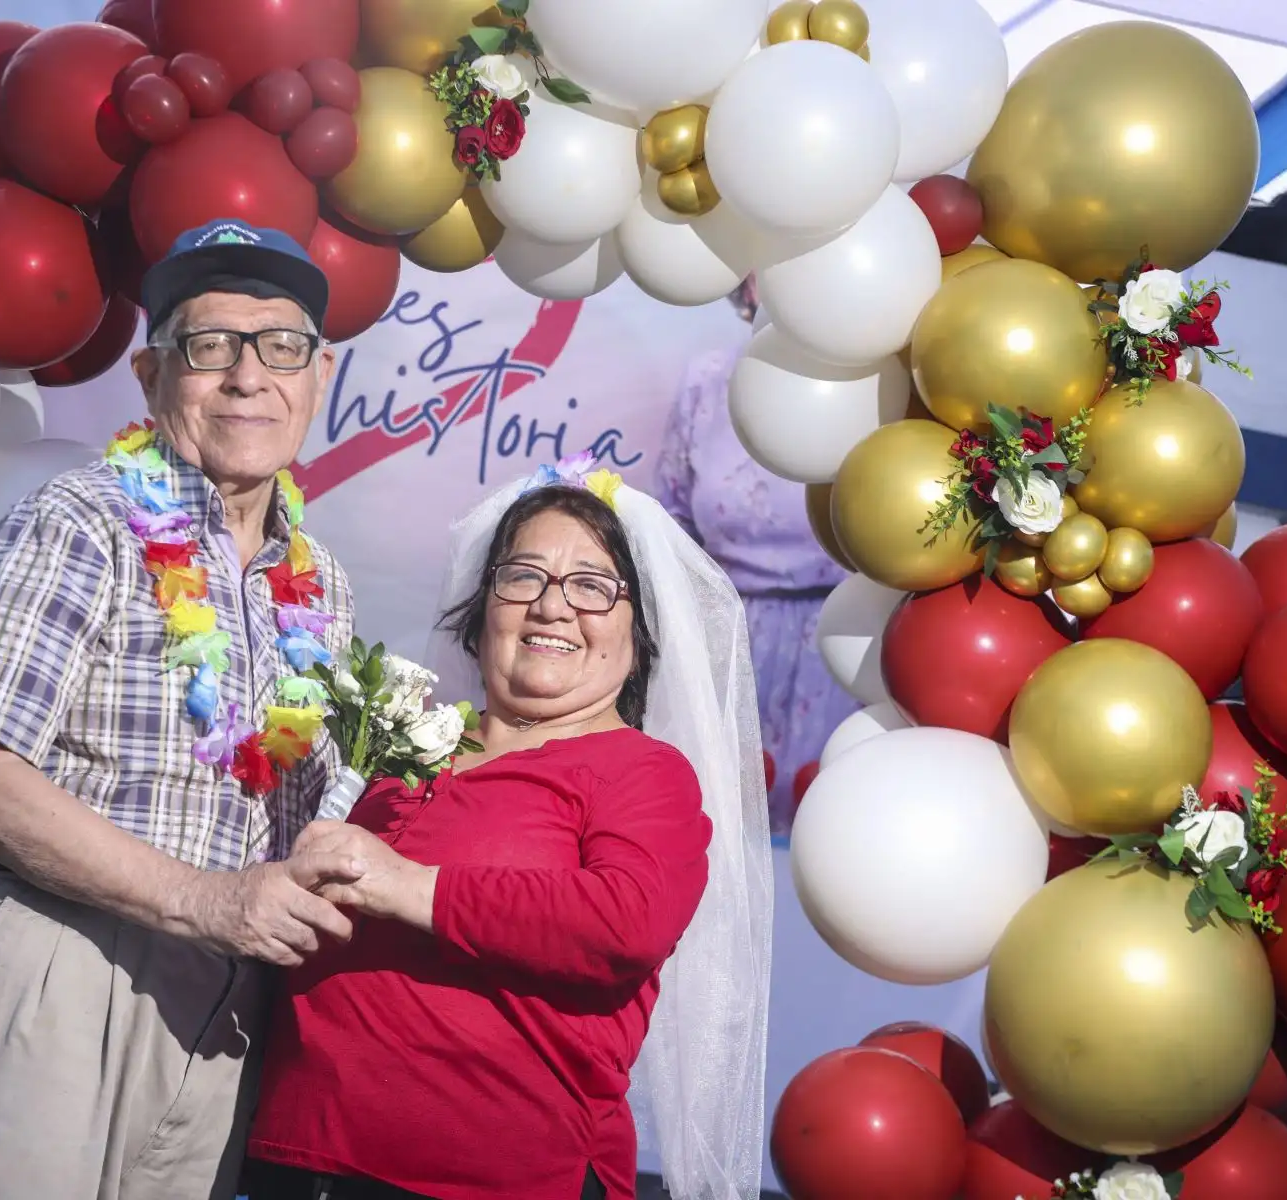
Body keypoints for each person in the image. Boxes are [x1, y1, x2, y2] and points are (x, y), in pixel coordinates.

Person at [0, 219, 359, 1200]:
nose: (247, 377)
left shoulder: (321, 588)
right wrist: (208, 901)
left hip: (225, 1014)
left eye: (281, 346)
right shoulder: (81, 517)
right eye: (210, 345)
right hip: (54, 964)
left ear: (319, 376)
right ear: (150, 375)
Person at [242, 464, 773, 1200]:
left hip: (494, 1177)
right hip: (297, 1154)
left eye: (593, 586)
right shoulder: (396, 752)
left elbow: (629, 922)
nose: (553, 606)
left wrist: (406, 886)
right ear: (483, 608)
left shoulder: (643, 771)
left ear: (639, 631)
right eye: (524, 576)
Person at [656, 278, 860, 831]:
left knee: (831, 824)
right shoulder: (706, 380)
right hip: (726, 633)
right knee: (712, 825)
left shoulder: (868, 385)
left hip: (843, 636)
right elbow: (672, 520)